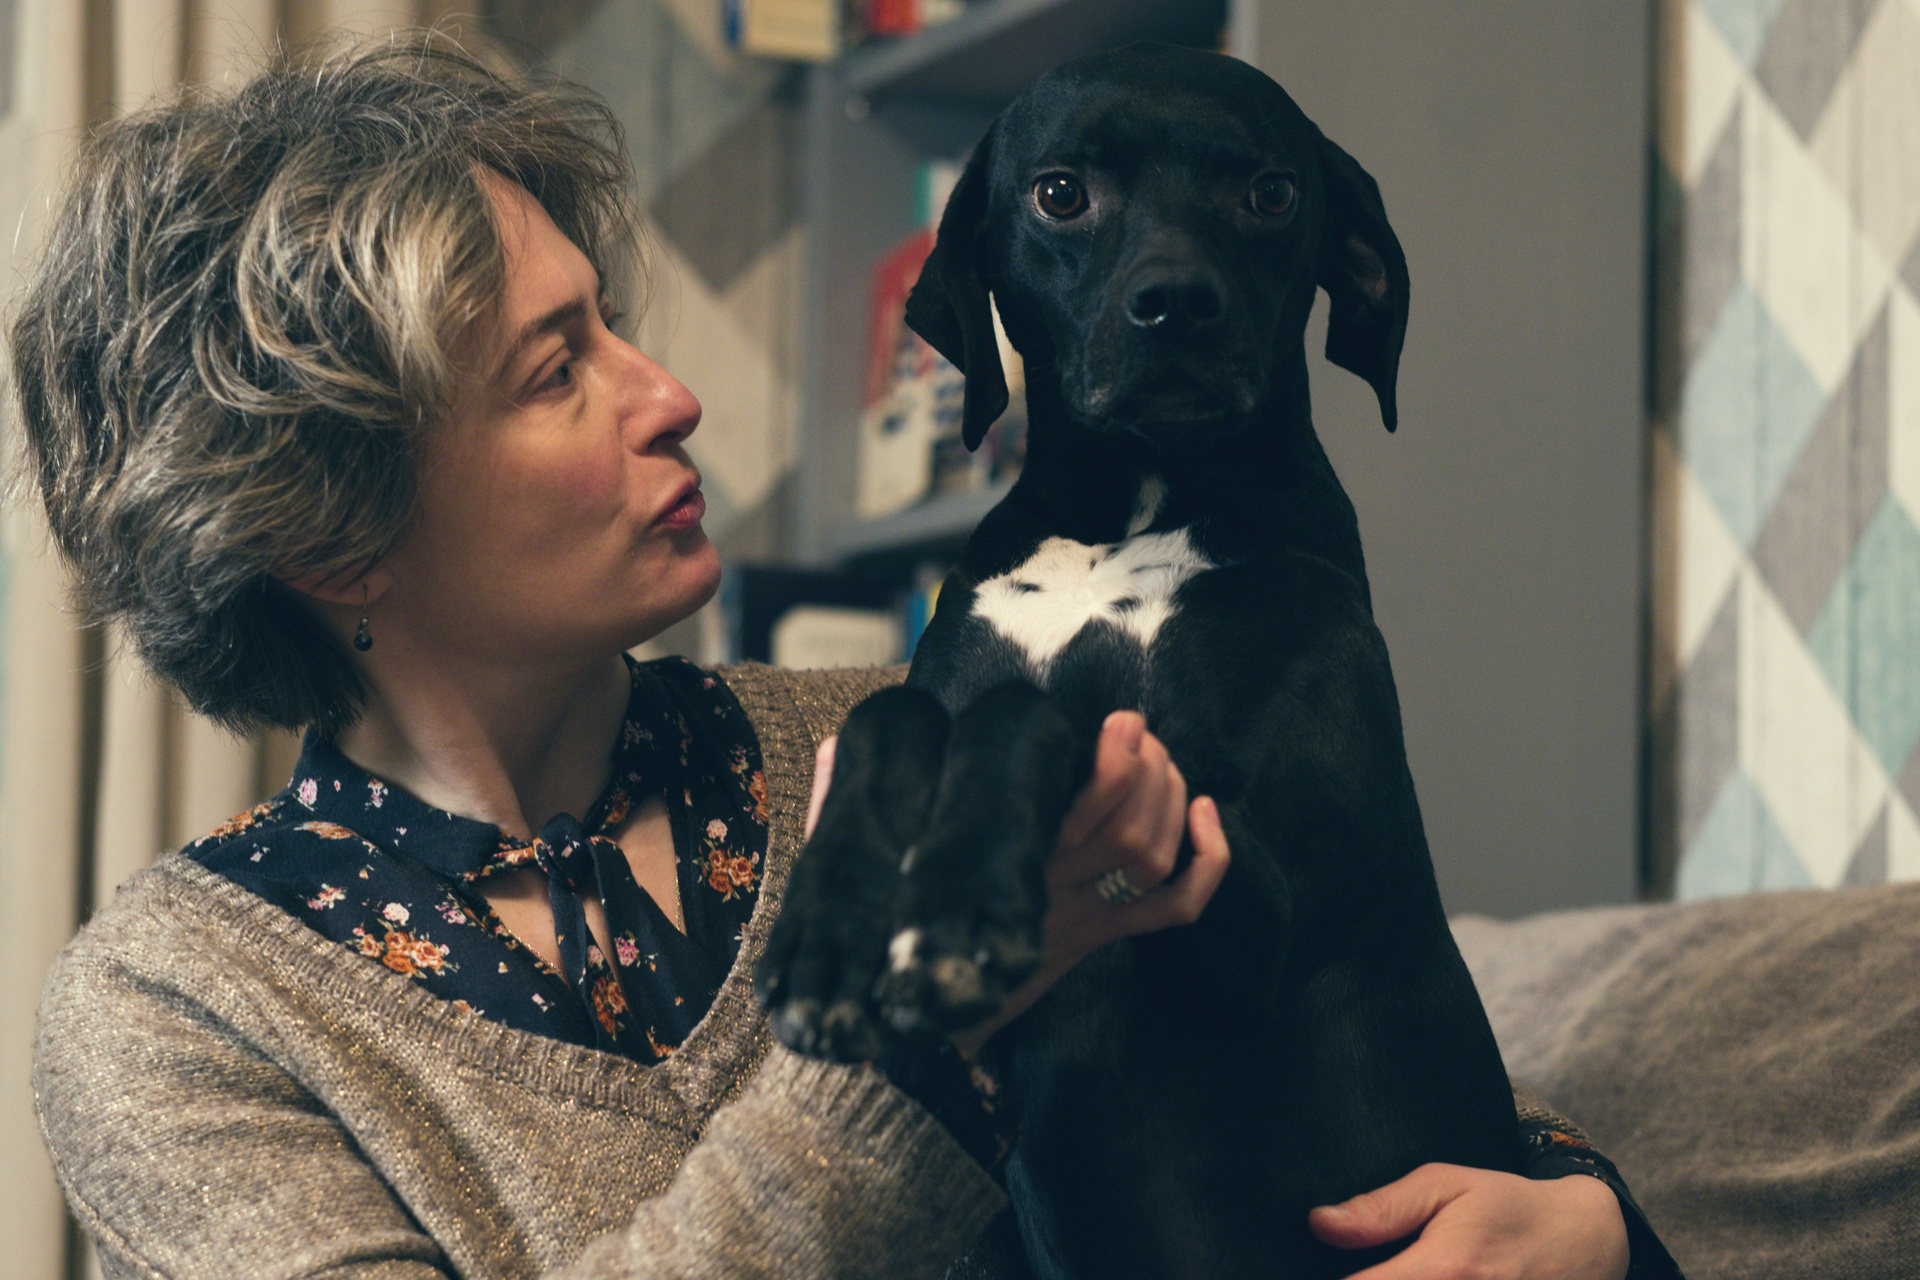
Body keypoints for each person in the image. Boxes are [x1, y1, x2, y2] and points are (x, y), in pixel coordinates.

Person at [16, 33, 1674, 1280]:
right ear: (331, 536)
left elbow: (1336, 1039)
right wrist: (917, 1044)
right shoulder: (180, 1012)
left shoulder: (907, 734)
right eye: (554, 371)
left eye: (613, 322)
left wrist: (1589, 1221)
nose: (671, 394)